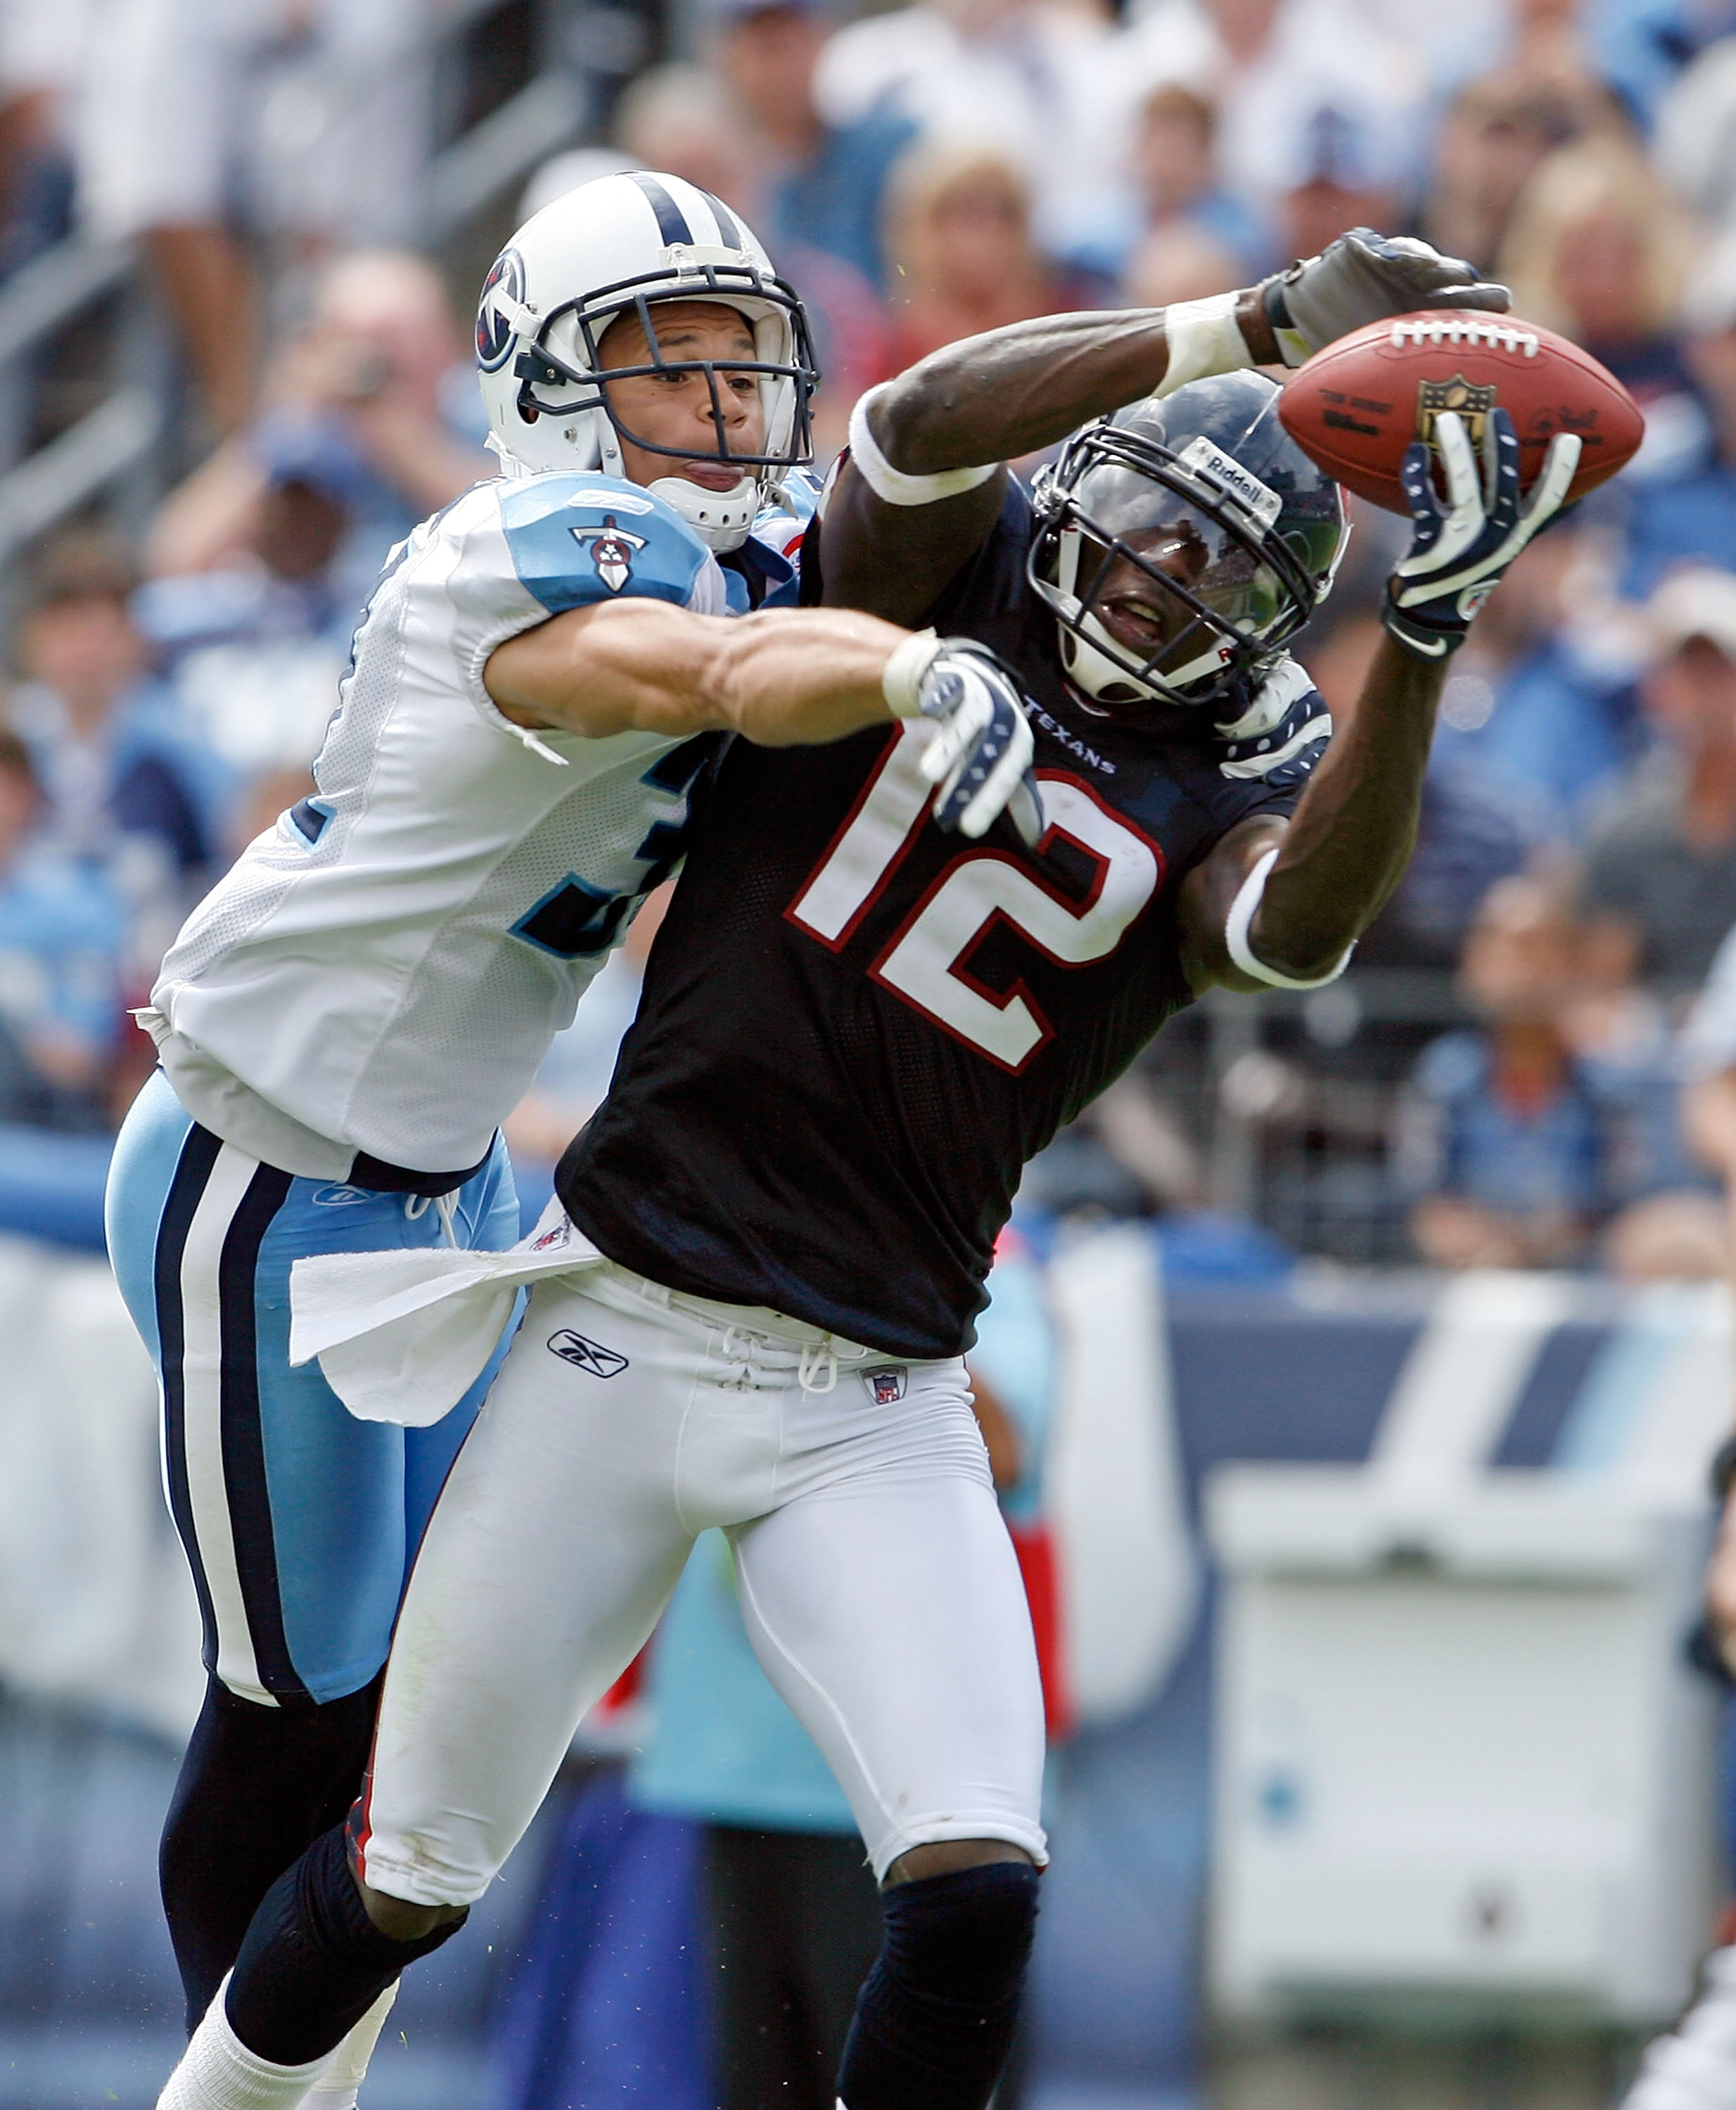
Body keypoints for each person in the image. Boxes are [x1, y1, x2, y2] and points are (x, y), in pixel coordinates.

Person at [151, 229, 1577, 2110]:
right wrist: (1230, 329)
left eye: (1218, 576)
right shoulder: (933, 578)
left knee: (976, 1876)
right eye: (1146, 526)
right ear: (1077, 484)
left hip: (877, 1383)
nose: (1157, 596)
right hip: (621, 1324)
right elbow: (911, 428)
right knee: (400, 1873)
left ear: (1277, 615)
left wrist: (1420, 634)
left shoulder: (1256, 753)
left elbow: (1296, 934)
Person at [104, 167, 1041, 2107]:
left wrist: (1227, 348)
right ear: (548, 385)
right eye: (660, 360)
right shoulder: (522, 554)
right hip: (260, 1173)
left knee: (405, 1717)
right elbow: (703, 676)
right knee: (301, 1699)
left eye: (735, 360)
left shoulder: (745, 547)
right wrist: (899, 667)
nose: (713, 401)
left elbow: (920, 455)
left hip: (456, 1184)